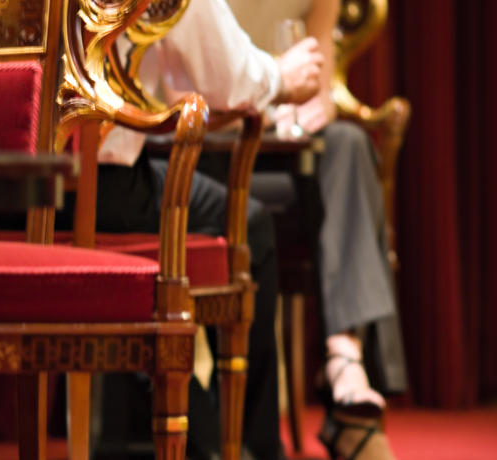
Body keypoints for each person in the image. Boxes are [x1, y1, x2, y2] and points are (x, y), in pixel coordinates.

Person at [86, 1, 323, 459]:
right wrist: (280, 76)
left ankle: (198, 430)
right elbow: (227, 79)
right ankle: (245, 445)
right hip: (98, 188)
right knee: (248, 225)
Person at [224, 0, 408, 458]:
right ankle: (348, 421)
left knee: (349, 145)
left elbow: (321, 84)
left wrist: (314, 109)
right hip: (219, 148)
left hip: (282, 148)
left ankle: (344, 355)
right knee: (283, 200)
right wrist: (270, 91)